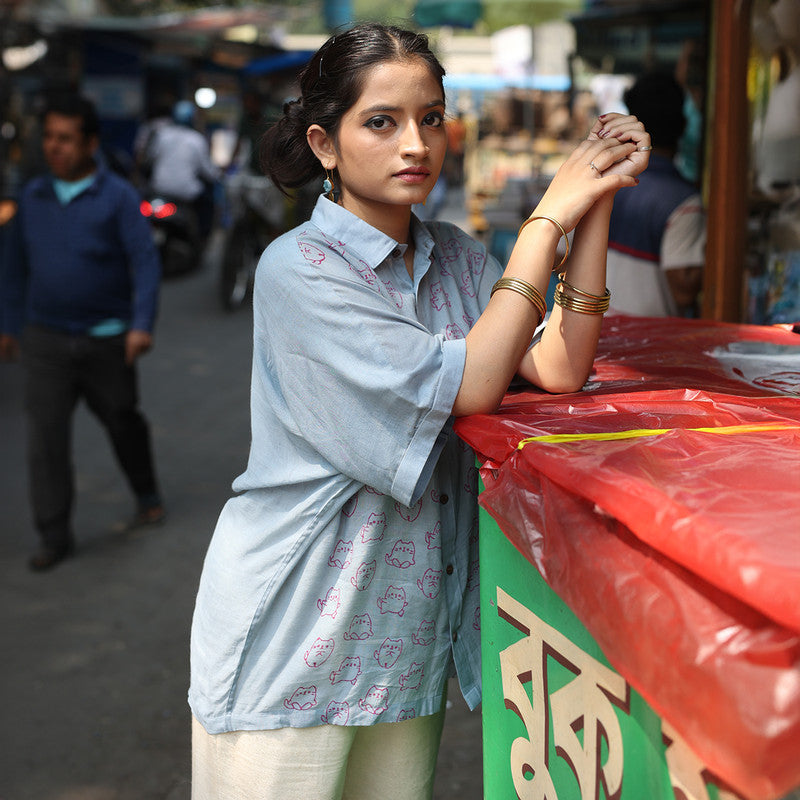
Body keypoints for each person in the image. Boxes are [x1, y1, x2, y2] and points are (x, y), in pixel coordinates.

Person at [188, 22, 650, 800]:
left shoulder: (458, 257)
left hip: (401, 644)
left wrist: (595, 196)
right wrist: (545, 220)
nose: (416, 143)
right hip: (297, 633)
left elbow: (560, 366)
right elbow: (471, 384)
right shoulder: (299, 270)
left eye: (431, 118)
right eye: (382, 121)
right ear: (325, 144)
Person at [0, 93, 164, 572]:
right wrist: (9, 326)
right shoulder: (32, 197)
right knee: (45, 440)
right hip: (45, 339)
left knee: (122, 419)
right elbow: (13, 268)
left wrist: (140, 324)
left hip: (106, 338)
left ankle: (145, 492)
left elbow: (144, 262)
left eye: (66, 139)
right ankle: (54, 536)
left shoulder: (116, 197)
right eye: (49, 137)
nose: (55, 147)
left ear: (90, 143)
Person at [606, 72, 706, 317]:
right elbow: (683, 291)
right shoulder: (683, 201)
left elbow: (559, 256)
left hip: (592, 335)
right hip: (646, 342)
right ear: (682, 126)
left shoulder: (604, 181)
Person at [146, 100, 221, 240]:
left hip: (159, 188)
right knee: (207, 205)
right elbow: (208, 171)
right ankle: (203, 238)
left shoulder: (162, 135)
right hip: (186, 192)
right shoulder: (196, 140)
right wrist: (218, 174)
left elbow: (150, 158)